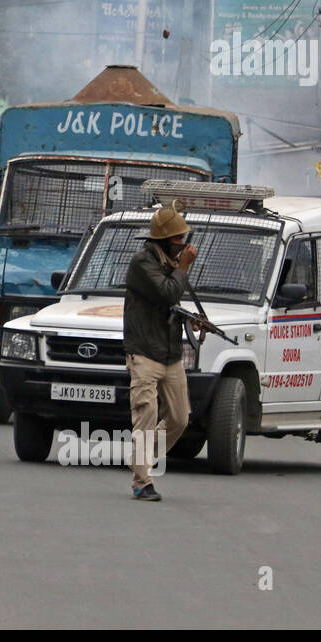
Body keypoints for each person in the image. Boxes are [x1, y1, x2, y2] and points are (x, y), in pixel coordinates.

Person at [123, 203, 197, 502]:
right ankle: (142, 480)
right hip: (144, 352)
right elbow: (167, 292)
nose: (185, 245)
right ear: (164, 240)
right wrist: (183, 267)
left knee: (180, 418)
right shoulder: (142, 263)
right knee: (146, 414)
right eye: (179, 239)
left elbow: (170, 303)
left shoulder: (169, 264)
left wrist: (191, 319)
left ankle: (140, 457)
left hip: (170, 353)